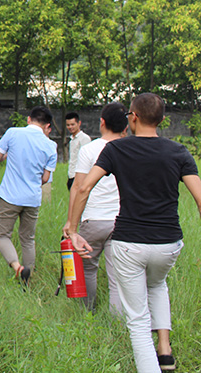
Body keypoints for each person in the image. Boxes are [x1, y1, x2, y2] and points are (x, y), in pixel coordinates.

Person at [68, 93, 201, 372]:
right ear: (162, 120)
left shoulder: (117, 150)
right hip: (168, 245)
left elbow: (83, 188)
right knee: (157, 285)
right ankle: (164, 352)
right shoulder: (179, 152)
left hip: (129, 244)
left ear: (134, 117)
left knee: (138, 321)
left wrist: (74, 229)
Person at [61, 102, 127, 313]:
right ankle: (117, 322)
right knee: (116, 276)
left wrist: (71, 222)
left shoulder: (89, 149)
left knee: (88, 269)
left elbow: (79, 187)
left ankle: (86, 315)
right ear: (125, 125)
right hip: (121, 220)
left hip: (93, 219)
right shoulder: (129, 148)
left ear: (102, 123)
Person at [0, 106, 58, 283]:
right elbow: (45, 178)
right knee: (28, 239)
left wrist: (8, 156)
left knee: (3, 235)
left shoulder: (13, 133)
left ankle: (17, 266)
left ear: (29, 119)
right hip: (32, 199)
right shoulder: (51, 145)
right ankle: (28, 278)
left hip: (10, 196)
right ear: (47, 126)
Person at [66, 112, 91, 190]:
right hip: (71, 175)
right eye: (68, 125)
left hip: (79, 176)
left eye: (73, 124)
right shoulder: (72, 140)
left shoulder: (84, 139)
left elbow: (87, 159)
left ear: (79, 123)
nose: (70, 127)